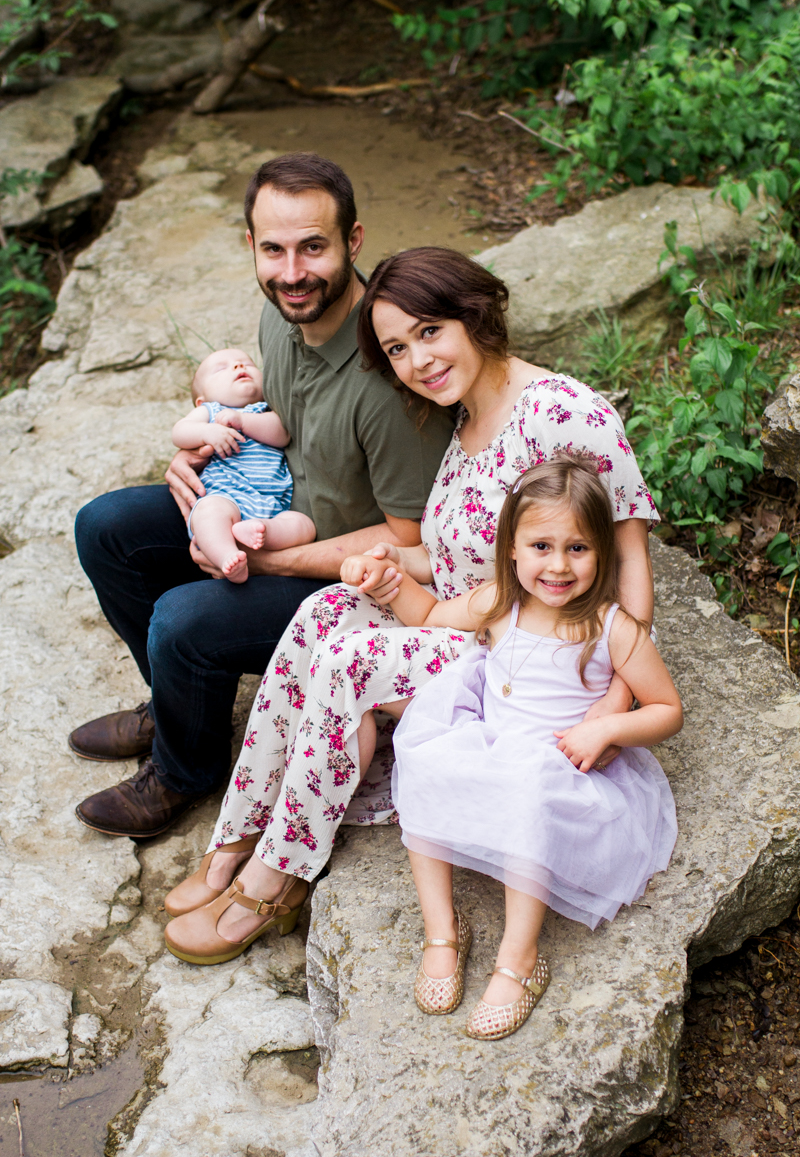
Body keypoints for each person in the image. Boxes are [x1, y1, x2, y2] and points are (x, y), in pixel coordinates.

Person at [161, 246, 661, 967]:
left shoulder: (565, 414)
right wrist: (386, 566)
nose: (417, 360)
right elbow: (455, 555)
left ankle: (276, 879)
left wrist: (608, 712)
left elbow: (631, 579)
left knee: (349, 659)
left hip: (522, 651)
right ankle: (240, 834)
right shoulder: (460, 421)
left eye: (430, 331)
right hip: (447, 617)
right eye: (397, 347)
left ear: (476, 314)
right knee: (323, 613)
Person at [69, 154, 454, 839]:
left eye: (314, 246)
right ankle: (175, 702)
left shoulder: (388, 382)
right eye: (273, 249)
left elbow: (412, 542)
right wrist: (196, 454)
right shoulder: (281, 316)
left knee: (181, 620)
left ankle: (185, 769)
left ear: (353, 241)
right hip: (262, 500)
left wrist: (273, 563)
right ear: (251, 245)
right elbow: (266, 410)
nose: (293, 272)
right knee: (106, 527)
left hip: (341, 577)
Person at [342, 456, 681, 1040]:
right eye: (541, 546)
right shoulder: (503, 601)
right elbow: (427, 615)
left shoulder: (612, 628)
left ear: (603, 552)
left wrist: (607, 729)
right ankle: (443, 930)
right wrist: (390, 583)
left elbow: (667, 710)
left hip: (557, 766)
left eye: (578, 548)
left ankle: (520, 958)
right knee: (426, 759)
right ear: (513, 551)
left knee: (526, 793)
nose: (557, 565)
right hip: (490, 742)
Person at [172, 347, 315, 583]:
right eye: (221, 368)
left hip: (273, 505)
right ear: (202, 399)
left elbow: (282, 435)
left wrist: (243, 420)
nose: (238, 367)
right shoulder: (210, 411)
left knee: (304, 526)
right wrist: (207, 431)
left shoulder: (268, 410)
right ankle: (228, 557)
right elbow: (179, 432)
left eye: (246, 363)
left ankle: (261, 531)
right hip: (226, 496)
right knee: (208, 512)